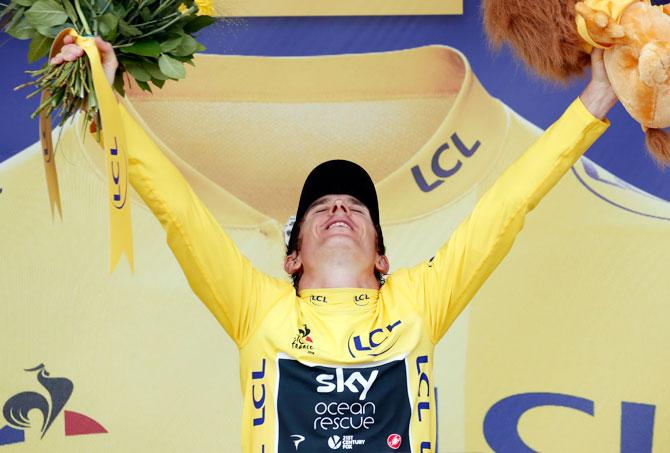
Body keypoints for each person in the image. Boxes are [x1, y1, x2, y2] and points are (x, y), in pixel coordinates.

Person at [51, 36, 617, 452]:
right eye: (320, 207)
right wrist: (105, 103)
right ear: (291, 256)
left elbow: (505, 207)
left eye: (355, 208)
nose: (340, 209)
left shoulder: (417, 302)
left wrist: (594, 102)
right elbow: (177, 210)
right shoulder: (258, 308)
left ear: (383, 257)